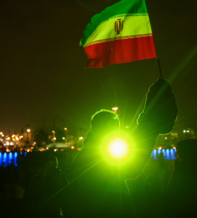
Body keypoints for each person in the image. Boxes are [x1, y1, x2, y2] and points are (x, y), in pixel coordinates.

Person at [65, 78, 178, 217]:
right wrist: (150, 125)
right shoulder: (94, 157)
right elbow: (129, 169)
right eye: (114, 127)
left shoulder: (90, 154)